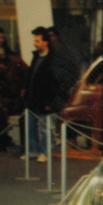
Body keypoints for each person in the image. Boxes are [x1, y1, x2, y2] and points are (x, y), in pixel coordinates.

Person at [22, 26, 58, 162]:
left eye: (37, 41)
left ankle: (44, 152)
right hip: (32, 99)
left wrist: (50, 101)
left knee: (45, 128)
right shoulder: (36, 56)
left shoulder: (53, 59)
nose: (34, 43)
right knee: (30, 126)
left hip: (45, 100)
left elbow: (55, 82)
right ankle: (32, 151)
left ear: (45, 42)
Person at [0, 26, 27, 152]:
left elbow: (24, 70)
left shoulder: (12, 58)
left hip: (12, 93)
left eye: (2, 37)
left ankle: (22, 144)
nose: (0, 40)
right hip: (0, 94)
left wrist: (23, 88)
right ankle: (2, 140)